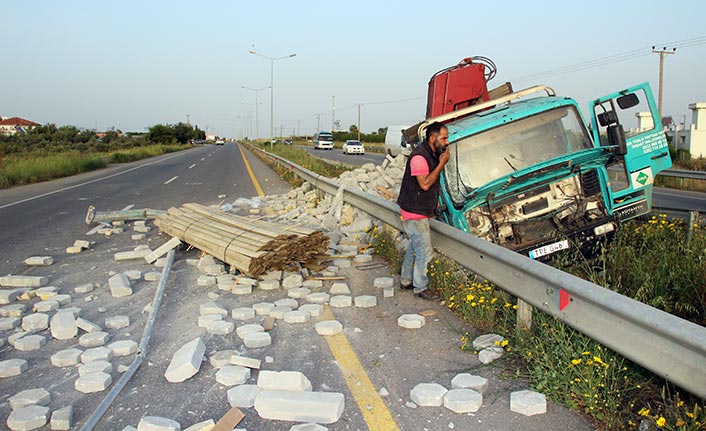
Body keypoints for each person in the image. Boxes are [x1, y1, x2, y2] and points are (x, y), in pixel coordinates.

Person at [396, 122, 450, 299]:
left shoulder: (432, 153)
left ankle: (405, 280)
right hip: (415, 212)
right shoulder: (420, 157)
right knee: (424, 251)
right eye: (443, 138)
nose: (446, 142)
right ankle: (420, 287)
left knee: (414, 246)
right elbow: (425, 184)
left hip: (417, 210)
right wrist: (442, 164)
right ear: (432, 139)